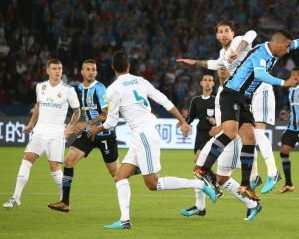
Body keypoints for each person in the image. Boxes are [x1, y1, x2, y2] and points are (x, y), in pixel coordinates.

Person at [178, 21, 299, 195]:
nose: (287, 52)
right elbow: (260, 74)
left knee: (250, 139)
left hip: (245, 99)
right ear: (278, 44)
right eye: (286, 48)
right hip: (231, 94)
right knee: (230, 133)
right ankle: (203, 169)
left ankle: (246, 184)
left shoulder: (278, 48)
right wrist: (283, 82)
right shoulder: (260, 54)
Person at [87, 51, 216, 229]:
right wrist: (182, 121)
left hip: (143, 137)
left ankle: (199, 184)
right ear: (129, 66)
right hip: (142, 136)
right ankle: (125, 220)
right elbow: (164, 100)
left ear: (112, 68)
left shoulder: (112, 89)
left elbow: (112, 121)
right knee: (120, 176)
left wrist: (98, 128)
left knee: (153, 184)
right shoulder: (140, 81)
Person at [181, 63, 261, 221]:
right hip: (218, 137)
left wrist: (219, 128)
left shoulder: (238, 90)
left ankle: (252, 204)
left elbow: (240, 119)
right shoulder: (219, 92)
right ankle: (200, 207)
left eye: (227, 67)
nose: (223, 69)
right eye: (221, 67)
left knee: (222, 179)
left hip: (231, 139)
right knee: (198, 166)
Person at [3, 59, 80, 209]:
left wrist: (70, 127)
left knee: (54, 167)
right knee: (27, 159)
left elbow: (77, 111)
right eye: (54, 68)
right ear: (47, 70)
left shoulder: (68, 90)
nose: (57, 71)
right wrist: (31, 124)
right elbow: (38, 105)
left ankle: (64, 200)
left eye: (60, 68)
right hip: (40, 131)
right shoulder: (40, 87)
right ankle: (15, 198)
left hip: (57, 133)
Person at [47, 59, 120, 212]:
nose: (91, 72)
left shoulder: (100, 89)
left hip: (104, 134)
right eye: (88, 69)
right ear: (82, 72)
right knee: (68, 160)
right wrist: (71, 126)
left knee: (117, 175)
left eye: (93, 69)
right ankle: (65, 202)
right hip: (88, 134)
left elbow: (106, 114)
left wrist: (85, 124)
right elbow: (77, 109)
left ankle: (134, 169)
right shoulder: (79, 89)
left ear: (96, 72)